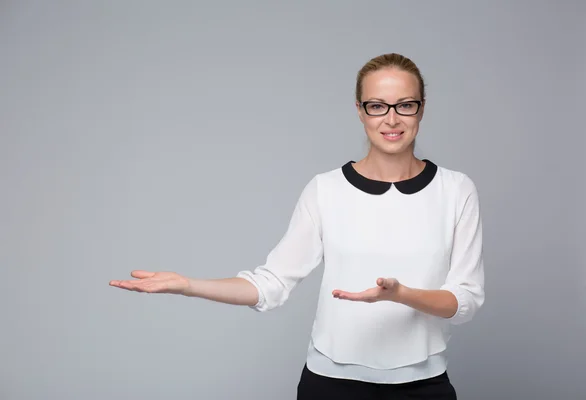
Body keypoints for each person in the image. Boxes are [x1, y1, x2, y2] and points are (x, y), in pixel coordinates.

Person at [109, 53, 484, 400]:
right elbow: (271, 284)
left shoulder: (455, 190)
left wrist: (400, 294)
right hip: (331, 384)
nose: (391, 119)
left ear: (421, 109)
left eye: (405, 105)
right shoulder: (326, 190)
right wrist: (189, 286)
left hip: (422, 385)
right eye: (377, 106)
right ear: (359, 110)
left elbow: (464, 301)